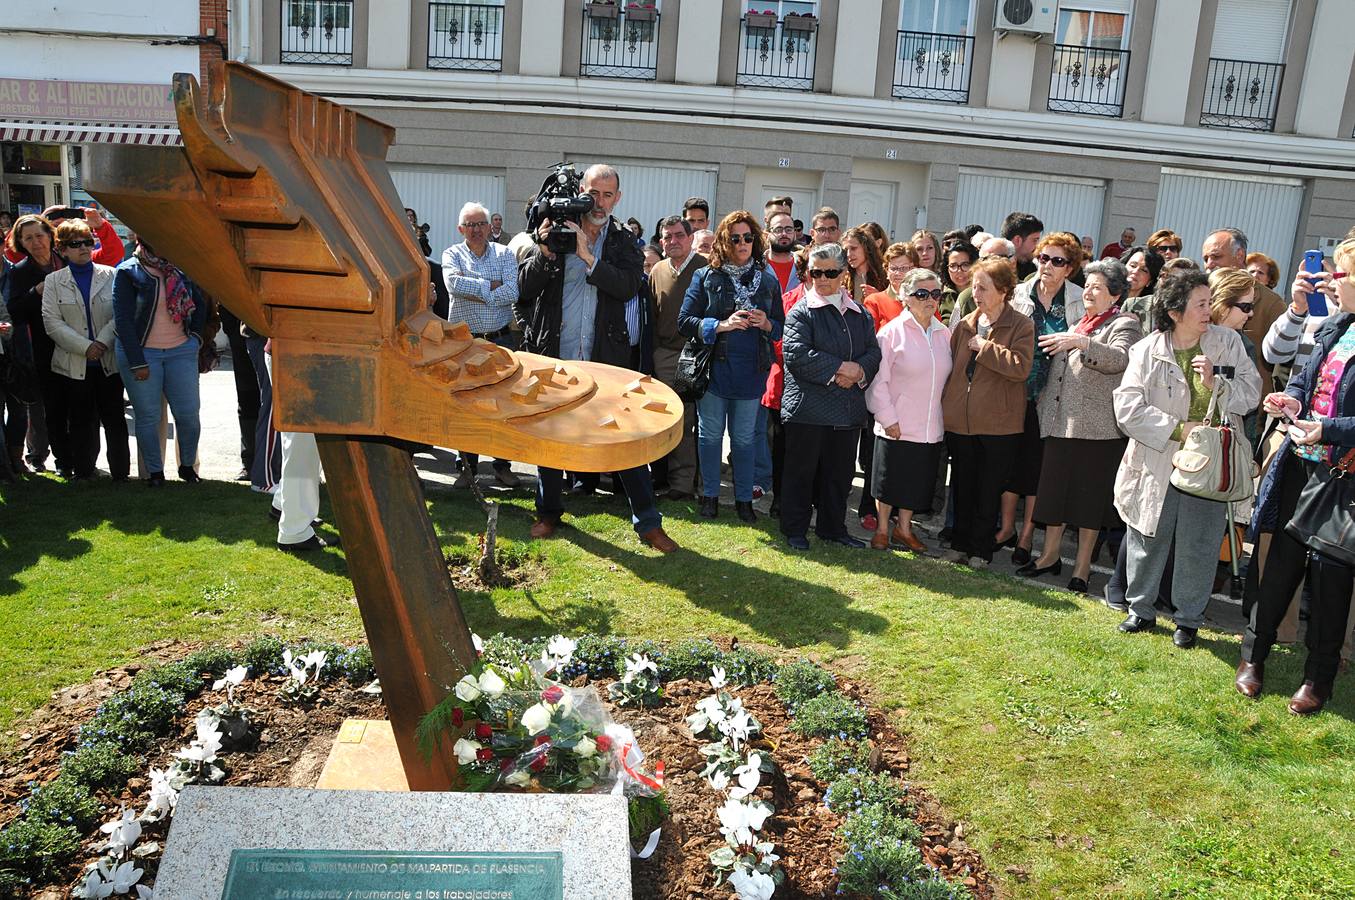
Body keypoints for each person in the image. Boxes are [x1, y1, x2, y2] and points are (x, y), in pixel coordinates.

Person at [517, 164, 677, 552]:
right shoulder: (556, 228)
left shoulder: (623, 240)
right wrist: (544, 250)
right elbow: (524, 289)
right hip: (556, 354)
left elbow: (627, 288)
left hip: (607, 358)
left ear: (617, 198)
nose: (599, 202)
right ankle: (548, 512)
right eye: (593, 193)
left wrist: (589, 258)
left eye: (608, 195)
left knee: (624, 437)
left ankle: (649, 525)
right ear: (581, 192)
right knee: (548, 439)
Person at [1238, 239, 1355, 715]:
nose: (1333, 280)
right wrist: (1291, 403)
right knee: (1280, 566)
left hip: (1342, 477)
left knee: (1331, 582)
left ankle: (1318, 676)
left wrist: (1325, 427)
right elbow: (1304, 379)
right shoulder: (1334, 325)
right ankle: (1254, 656)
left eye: (1341, 274)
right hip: (1301, 466)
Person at [1113, 270, 1260, 648]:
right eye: (1201, 304)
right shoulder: (1146, 349)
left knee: (1200, 541)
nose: (1209, 310)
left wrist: (1217, 384)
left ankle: (1188, 620)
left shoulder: (1228, 343)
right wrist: (1180, 429)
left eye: (1210, 302)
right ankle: (1140, 610)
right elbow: (1127, 408)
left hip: (1211, 464)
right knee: (1148, 532)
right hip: (1159, 457)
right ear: (1176, 311)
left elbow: (1251, 394)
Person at [1021, 259, 1141, 591]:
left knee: (1089, 504)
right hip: (1061, 424)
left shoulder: (1124, 324)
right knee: (1054, 497)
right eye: (1087, 285)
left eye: (1097, 287)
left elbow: (1120, 359)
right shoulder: (1079, 322)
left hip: (1099, 430)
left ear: (1115, 295)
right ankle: (1048, 556)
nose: (1088, 291)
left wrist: (1083, 343)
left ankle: (1083, 568)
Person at [678, 211, 783, 523]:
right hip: (714, 370)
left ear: (756, 240)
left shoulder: (767, 278)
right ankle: (710, 495)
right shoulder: (706, 276)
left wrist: (766, 323)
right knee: (710, 436)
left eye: (748, 237)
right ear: (724, 241)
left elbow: (781, 326)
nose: (742, 243)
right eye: (735, 238)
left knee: (745, 438)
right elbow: (684, 321)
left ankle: (743, 500)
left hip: (752, 370)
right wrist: (720, 325)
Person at [779, 243, 880, 551]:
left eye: (830, 272)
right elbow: (796, 355)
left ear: (843, 274)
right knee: (801, 474)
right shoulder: (801, 311)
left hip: (846, 411)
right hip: (807, 410)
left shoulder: (859, 313)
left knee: (839, 475)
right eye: (815, 272)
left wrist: (858, 371)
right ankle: (795, 529)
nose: (822, 279)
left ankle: (832, 528)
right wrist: (842, 369)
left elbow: (874, 353)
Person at [941, 257, 1034, 567]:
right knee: (963, 486)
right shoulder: (965, 324)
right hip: (961, 422)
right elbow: (952, 369)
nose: (976, 293)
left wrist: (986, 348)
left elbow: (1021, 368)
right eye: (974, 286)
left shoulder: (1021, 325)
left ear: (1004, 291)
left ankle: (980, 550)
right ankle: (959, 544)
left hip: (999, 425)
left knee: (988, 490)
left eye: (983, 287)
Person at [1003, 233, 1085, 566]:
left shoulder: (1079, 300)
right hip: (1015, 389)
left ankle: (1026, 536)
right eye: (1044, 258)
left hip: (1054, 395)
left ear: (1070, 268)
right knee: (1010, 462)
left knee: (1039, 469)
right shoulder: (1020, 292)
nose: (1048, 266)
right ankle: (1006, 528)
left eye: (1058, 261)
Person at [865, 268, 951, 552]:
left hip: (929, 426)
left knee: (915, 483)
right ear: (906, 297)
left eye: (935, 294)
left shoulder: (944, 334)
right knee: (888, 481)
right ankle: (881, 529)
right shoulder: (890, 333)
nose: (930, 299)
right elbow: (878, 382)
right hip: (896, 423)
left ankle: (904, 530)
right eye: (922, 294)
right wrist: (887, 417)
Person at [112, 238, 209, 486]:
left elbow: (200, 304)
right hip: (143, 354)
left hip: (181, 351)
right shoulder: (127, 271)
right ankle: (155, 473)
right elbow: (122, 320)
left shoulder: (180, 268)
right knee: (148, 417)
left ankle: (187, 468)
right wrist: (136, 361)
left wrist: (195, 339)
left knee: (188, 415)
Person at [40, 218, 129, 482]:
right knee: (80, 421)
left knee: (115, 420)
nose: (84, 248)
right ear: (62, 249)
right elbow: (52, 323)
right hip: (72, 365)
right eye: (75, 244)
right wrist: (86, 347)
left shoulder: (111, 274)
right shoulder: (54, 281)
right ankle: (84, 471)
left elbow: (120, 314)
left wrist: (101, 342)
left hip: (108, 362)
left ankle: (121, 474)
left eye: (88, 242)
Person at [442, 201, 522, 489]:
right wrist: (492, 285)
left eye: (480, 224)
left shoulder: (505, 253)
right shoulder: (451, 254)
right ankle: (466, 468)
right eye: (470, 225)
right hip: (465, 343)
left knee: (504, 405)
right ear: (460, 229)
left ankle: (503, 466)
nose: (475, 230)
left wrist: (474, 285)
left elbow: (513, 291)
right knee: (466, 405)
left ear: (490, 227)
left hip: (500, 339)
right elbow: (453, 285)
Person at [647, 216, 705, 499]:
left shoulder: (705, 268)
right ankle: (663, 480)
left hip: (695, 356)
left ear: (690, 237)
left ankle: (684, 485)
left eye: (679, 235)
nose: (673, 241)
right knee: (666, 420)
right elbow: (653, 314)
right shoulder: (657, 270)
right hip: (665, 355)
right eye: (667, 236)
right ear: (661, 241)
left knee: (689, 422)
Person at [6, 214, 66, 474]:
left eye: (39, 235)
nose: (35, 242)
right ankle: (37, 455)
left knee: (73, 405)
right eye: (27, 238)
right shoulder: (19, 272)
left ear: (50, 235)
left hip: (73, 344)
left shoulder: (66, 262)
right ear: (20, 242)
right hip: (37, 349)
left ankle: (72, 457)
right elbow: (14, 312)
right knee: (39, 407)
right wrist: (35, 292)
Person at [1201, 228, 1286, 391]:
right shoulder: (1197, 294)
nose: (1209, 264)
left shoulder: (1272, 304)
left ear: (1239, 255)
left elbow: (1281, 360)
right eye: (1206, 258)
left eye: (1216, 256)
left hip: (1244, 404)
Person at [1208, 267, 1261, 443]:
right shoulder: (1185, 337)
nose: (1251, 313)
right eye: (1246, 307)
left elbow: (1250, 415)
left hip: (1223, 445)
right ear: (1222, 305)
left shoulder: (1245, 346)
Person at [948, 237, 1015, 327]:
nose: (991, 265)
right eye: (985, 259)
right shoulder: (966, 298)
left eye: (998, 259)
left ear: (1013, 261)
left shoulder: (1024, 294)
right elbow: (953, 335)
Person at [863, 243, 920, 332]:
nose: (897, 273)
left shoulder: (925, 299)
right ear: (886, 271)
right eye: (893, 268)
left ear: (914, 270)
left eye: (904, 268)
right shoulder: (874, 302)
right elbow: (869, 339)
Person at [1119, 244, 1164, 330]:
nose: (1135, 271)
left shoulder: (1151, 313)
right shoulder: (1105, 298)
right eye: (1132, 266)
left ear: (1150, 281)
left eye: (1144, 270)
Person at [843, 226, 886, 304]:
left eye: (853, 248)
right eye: (846, 250)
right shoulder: (842, 276)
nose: (849, 254)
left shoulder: (885, 275)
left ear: (866, 248)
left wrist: (878, 297)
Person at [939, 240, 977, 322]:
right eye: (953, 266)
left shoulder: (983, 294)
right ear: (947, 269)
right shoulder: (940, 295)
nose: (959, 271)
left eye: (965, 265)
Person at [1000, 212, 1044, 280]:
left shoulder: (1034, 270)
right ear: (1017, 240)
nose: (1038, 246)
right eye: (1035, 240)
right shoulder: (992, 266)